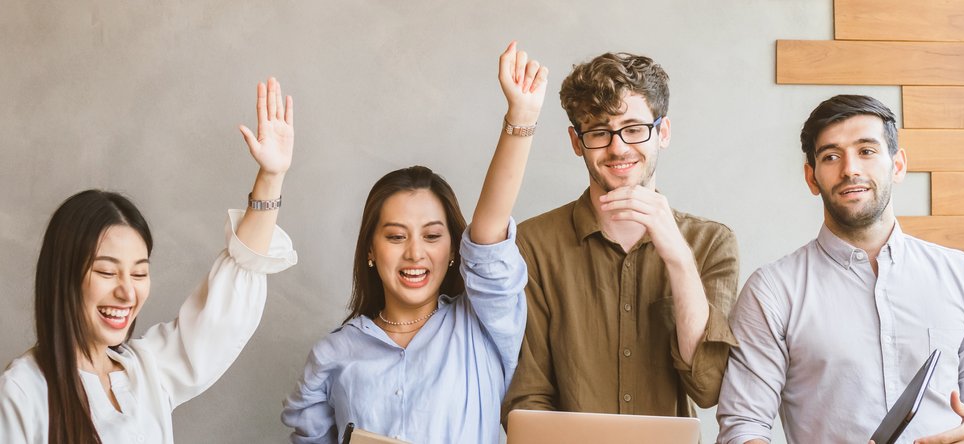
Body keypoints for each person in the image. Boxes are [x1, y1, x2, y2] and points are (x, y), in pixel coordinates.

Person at [0, 77, 297, 443]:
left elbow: (224, 311)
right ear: (63, 276)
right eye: (107, 271)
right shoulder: (22, 392)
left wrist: (272, 176)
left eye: (139, 273)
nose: (127, 292)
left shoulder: (144, 370)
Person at [281, 42, 545, 443]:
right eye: (395, 236)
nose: (415, 253)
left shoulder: (483, 326)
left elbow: (490, 240)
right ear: (370, 250)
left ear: (455, 249)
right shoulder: (332, 355)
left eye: (433, 236)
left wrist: (520, 119)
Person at [716, 95, 964, 444]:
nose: (850, 169)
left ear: (897, 165)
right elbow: (744, 427)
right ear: (811, 178)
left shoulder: (963, 277)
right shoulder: (772, 291)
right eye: (831, 156)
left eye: (866, 151)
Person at [501, 52, 740, 421]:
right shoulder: (532, 245)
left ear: (662, 133)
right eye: (599, 131)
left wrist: (678, 257)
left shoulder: (712, 243)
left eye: (633, 129)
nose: (618, 148)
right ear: (577, 142)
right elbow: (527, 398)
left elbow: (707, 387)